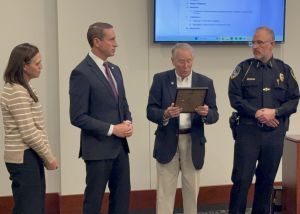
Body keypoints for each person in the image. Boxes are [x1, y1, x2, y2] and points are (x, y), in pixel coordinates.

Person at [228, 26, 300, 213]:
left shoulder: (284, 71)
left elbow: (294, 100)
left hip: (274, 134)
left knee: (266, 180)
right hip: (248, 132)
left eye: (260, 42)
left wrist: (274, 112)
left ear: (271, 44)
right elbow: (234, 97)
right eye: (254, 42)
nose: (255, 46)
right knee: (241, 179)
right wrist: (259, 113)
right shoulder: (243, 68)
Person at [147, 43, 219, 214]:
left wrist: (206, 113)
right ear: (173, 61)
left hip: (193, 142)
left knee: (192, 192)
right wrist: (165, 113)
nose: (186, 66)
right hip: (167, 140)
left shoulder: (205, 81)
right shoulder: (160, 79)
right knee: (164, 193)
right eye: (181, 61)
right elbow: (150, 110)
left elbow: (215, 114)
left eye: (189, 61)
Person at [69, 22, 133, 214]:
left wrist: (128, 121)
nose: (116, 44)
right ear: (97, 41)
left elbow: (122, 103)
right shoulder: (81, 72)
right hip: (97, 149)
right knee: (94, 202)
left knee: (122, 199)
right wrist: (113, 129)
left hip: (120, 149)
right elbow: (78, 117)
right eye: (112, 39)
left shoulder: (115, 70)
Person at [0, 43, 59, 214]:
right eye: (37, 63)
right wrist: (49, 157)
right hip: (23, 156)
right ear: (24, 66)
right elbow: (29, 132)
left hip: (30, 155)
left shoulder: (24, 87)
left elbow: (37, 127)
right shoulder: (16, 91)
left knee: (33, 206)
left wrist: (45, 154)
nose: (41, 67)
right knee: (29, 208)